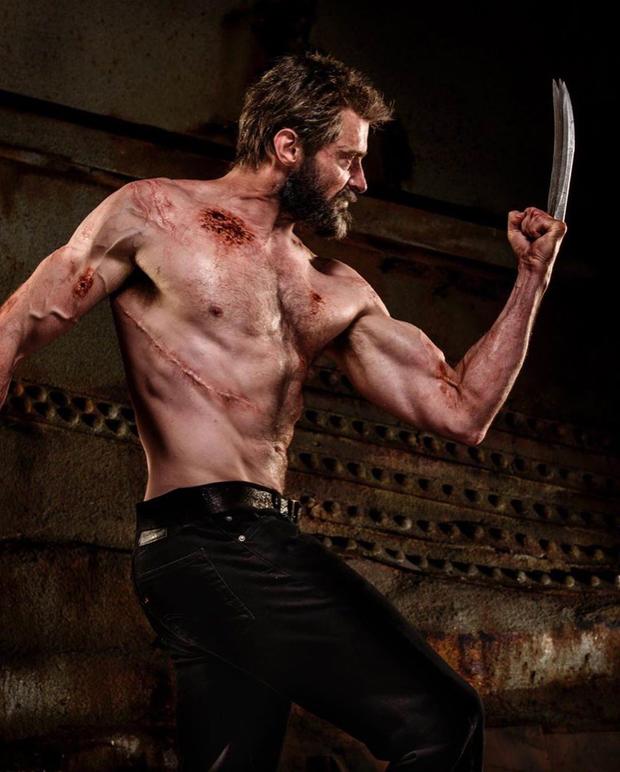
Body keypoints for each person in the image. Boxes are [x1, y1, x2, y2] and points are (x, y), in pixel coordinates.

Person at [0, 51, 567, 771]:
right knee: (441, 719)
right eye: (348, 159)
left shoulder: (333, 287)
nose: (361, 181)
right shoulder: (155, 214)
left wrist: (531, 279)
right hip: (216, 543)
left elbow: (463, 410)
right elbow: (16, 325)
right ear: (288, 146)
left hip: (231, 554)